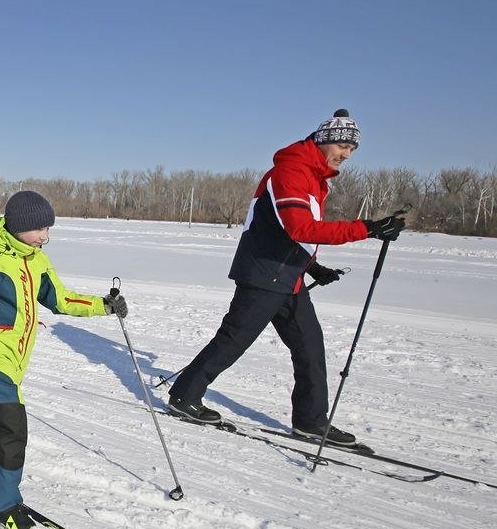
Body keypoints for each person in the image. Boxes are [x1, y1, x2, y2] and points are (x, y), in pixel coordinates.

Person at [166, 110, 405, 446]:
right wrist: (369, 228)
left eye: (352, 148)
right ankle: (184, 396)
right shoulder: (291, 171)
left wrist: (310, 266)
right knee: (234, 340)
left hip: (286, 275)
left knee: (309, 345)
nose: (347, 154)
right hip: (264, 272)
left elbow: (287, 235)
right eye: (343, 145)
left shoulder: (314, 177)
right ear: (324, 140)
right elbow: (299, 227)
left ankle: (310, 422)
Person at [0, 190, 127, 529]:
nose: (46, 236)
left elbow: (60, 298)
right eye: (40, 228)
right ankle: (1, 503)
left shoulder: (37, 260)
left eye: (49, 229)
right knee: (10, 423)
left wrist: (104, 304)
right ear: (19, 225)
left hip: (18, 355)